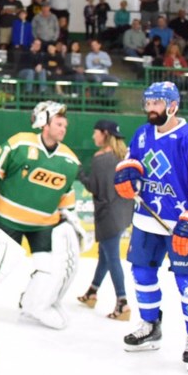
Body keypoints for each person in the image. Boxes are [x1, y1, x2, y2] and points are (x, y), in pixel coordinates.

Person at [113, 81, 188, 370]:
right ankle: (150, 326)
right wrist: (125, 177)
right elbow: (131, 163)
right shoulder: (142, 134)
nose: (151, 109)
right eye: (148, 103)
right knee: (142, 274)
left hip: (181, 224)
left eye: (157, 103)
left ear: (173, 105)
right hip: (146, 221)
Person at [0, 101, 87, 330]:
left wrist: (73, 222)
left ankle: (34, 304)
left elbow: (67, 198)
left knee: (49, 268)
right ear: (44, 123)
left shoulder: (70, 161)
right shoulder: (20, 143)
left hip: (44, 225)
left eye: (65, 126)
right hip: (6, 220)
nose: (63, 129)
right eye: (59, 124)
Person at [77, 120, 133, 321]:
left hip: (108, 214)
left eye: (96, 133)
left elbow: (94, 187)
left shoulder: (100, 158)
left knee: (112, 258)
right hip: (123, 213)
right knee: (105, 255)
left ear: (104, 134)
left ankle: (122, 303)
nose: (94, 137)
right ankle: (92, 292)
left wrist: (80, 173)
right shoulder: (123, 156)